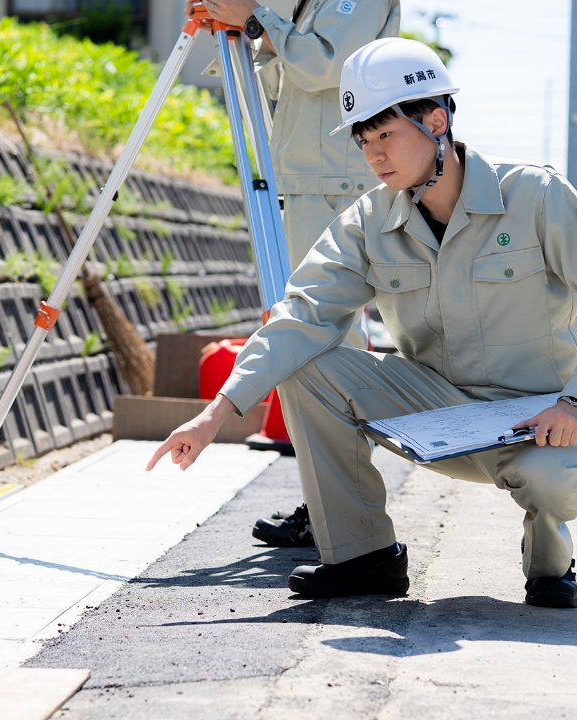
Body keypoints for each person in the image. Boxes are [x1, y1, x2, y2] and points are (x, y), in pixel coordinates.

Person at [147, 38, 577, 608]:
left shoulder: (535, 195)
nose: (374, 155)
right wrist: (216, 414)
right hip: (435, 413)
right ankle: (363, 557)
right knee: (308, 366)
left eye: (385, 134)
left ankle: (550, 564)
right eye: (363, 141)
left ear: (436, 122)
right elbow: (302, 314)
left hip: (535, 420)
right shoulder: (368, 221)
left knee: (555, 482)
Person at [186, 0, 401, 548]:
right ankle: (333, 504)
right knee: (318, 336)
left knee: (326, 340)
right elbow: (289, 81)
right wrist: (250, 29)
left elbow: (325, 65)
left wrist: (256, 17)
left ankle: (342, 509)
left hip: (331, 184)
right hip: (310, 182)